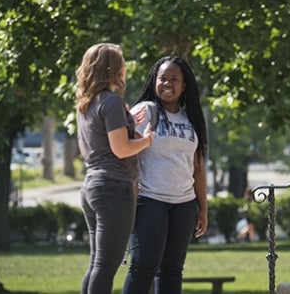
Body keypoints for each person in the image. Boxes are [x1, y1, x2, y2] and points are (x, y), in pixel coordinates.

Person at [123, 56, 209, 294]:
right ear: (154, 81)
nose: (167, 84)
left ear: (184, 86)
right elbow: (126, 154)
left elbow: (198, 168)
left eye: (174, 79)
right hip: (150, 201)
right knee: (142, 268)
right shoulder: (145, 112)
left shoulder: (190, 119)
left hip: (184, 205)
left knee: (172, 270)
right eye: (162, 78)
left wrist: (202, 208)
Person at [75, 43, 155, 294]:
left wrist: (128, 120)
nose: (125, 68)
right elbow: (121, 149)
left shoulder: (86, 104)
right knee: (106, 265)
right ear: (112, 69)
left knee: (96, 262)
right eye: (122, 63)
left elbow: (93, 146)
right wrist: (147, 139)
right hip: (114, 188)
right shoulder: (111, 102)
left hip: (92, 186)